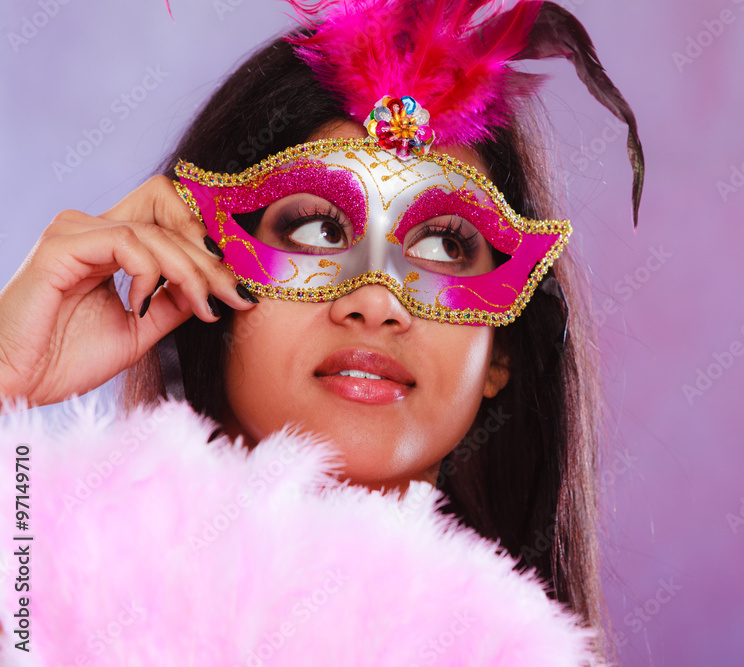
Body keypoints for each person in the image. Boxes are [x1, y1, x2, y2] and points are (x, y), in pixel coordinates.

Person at [0, 0, 642, 662]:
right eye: (315, 229)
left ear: (500, 349)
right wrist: (4, 369)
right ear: (201, 265)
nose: (374, 301)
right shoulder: (34, 582)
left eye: (445, 248)